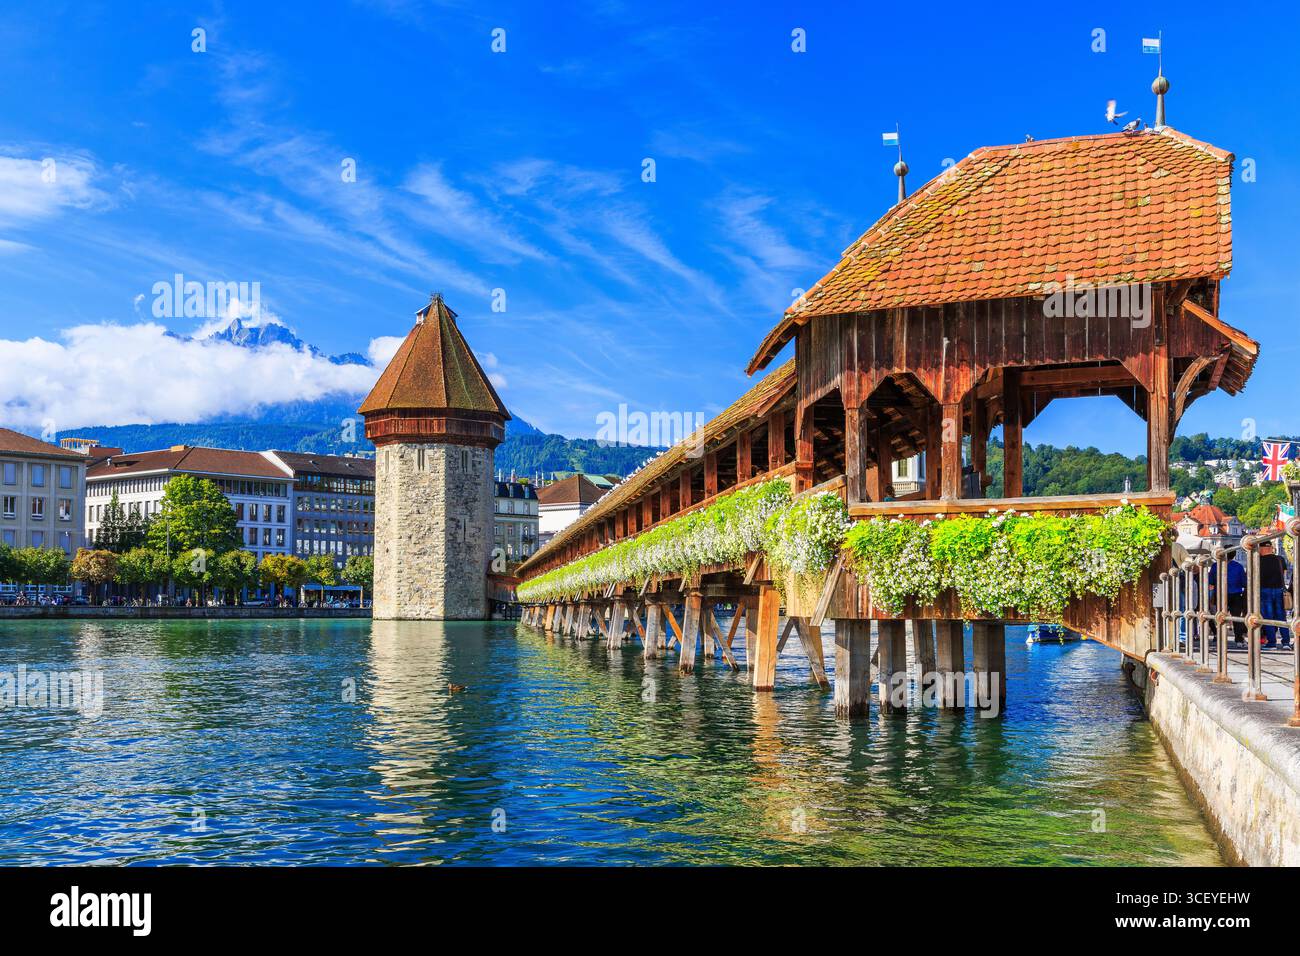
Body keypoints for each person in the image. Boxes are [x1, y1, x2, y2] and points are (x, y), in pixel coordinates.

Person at [1258, 539, 1291, 650]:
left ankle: (1272, 643)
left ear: (1261, 548)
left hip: (1264, 590)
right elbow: (1284, 575)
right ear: (1271, 548)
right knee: (1281, 617)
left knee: (1268, 617)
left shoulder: (1258, 560)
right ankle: (1286, 642)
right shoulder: (1280, 559)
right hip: (1279, 590)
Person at [1209, 555, 1248, 646]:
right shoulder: (1239, 566)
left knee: (1220, 617)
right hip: (1236, 594)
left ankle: (1221, 638)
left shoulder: (1215, 566)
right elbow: (1244, 583)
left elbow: (1210, 581)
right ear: (1234, 555)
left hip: (1220, 595)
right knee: (1236, 618)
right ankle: (1239, 639)